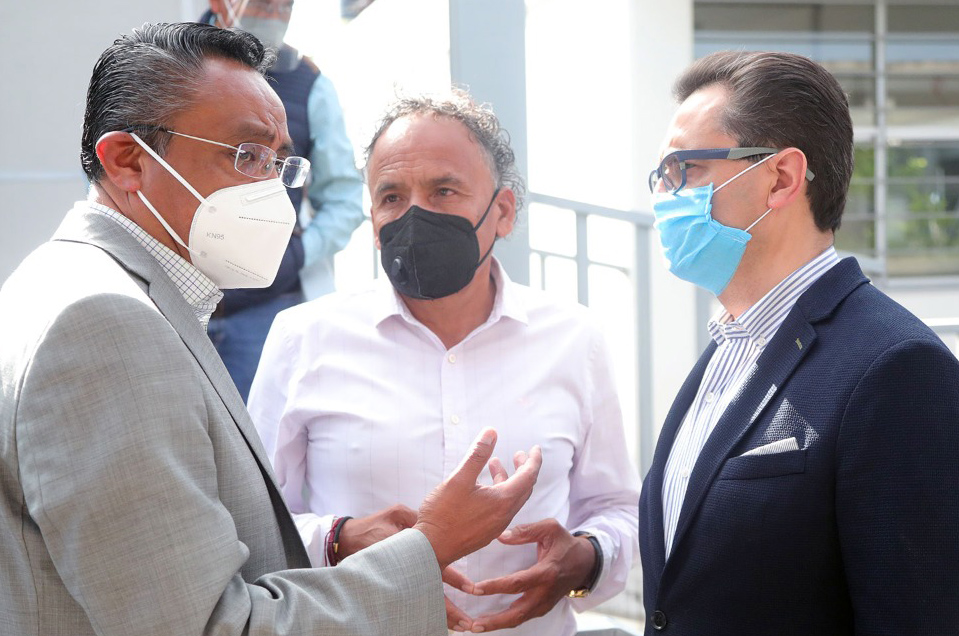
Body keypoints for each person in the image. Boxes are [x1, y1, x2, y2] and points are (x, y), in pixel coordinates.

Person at [0, 23, 543, 636]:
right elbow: (213, 626)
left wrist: (338, 542)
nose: (274, 194)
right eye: (247, 156)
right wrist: (431, 545)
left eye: (280, 163)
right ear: (128, 161)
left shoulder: (82, 286)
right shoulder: (106, 324)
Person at [248, 91, 641, 635]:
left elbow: (618, 508)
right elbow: (253, 523)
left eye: (443, 190)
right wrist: (337, 539)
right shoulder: (304, 338)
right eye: (391, 196)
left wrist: (586, 558)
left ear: (503, 212)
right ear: (373, 218)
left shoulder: (575, 340)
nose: (415, 214)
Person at [639, 50, 959, 635]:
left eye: (687, 168)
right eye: (661, 175)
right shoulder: (726, 348)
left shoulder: (896, 366)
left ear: (782, 178)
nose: (665, 194)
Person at [201, 0, 365, 402]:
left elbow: (344, 198)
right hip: (178, 303)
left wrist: (298, 255)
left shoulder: (309, 84)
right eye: (263, 3)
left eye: (284, 5)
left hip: (267, 308)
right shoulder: (167, 69)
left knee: (265, 437)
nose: (274, 15)